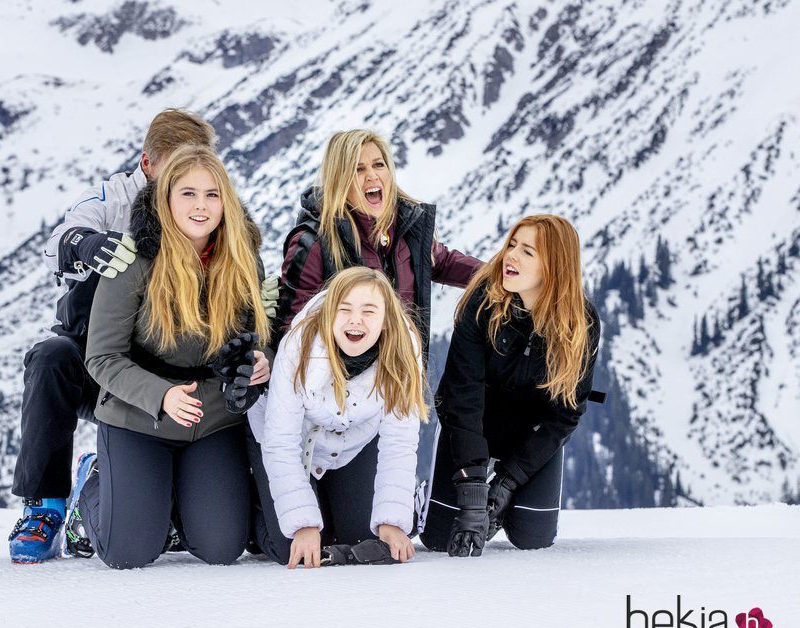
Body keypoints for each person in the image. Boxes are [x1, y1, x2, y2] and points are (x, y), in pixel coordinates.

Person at [8, 109, 217, 563]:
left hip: (166, 371)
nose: (189, 178)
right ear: (148, 164)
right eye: (176, 166)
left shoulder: (206, 208)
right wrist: (84, 244)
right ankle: (44, 506)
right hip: (98, 366)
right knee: (50, 358)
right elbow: (58, 240)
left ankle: (130, 487)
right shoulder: (114, 201)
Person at [66, 145, 271, 569]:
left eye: (212, 194)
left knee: (220, 548)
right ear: (166, 198)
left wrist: (261, 359)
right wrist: (162, 395)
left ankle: (171, 497)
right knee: (129, 552)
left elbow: (258, 333)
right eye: (188, 193)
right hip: (138, 417)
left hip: (213, 420)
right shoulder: (133, 259)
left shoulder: (243, 257)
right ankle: (94, 483)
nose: (201, 206)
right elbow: (102, 357)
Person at [420, 214, 601, 556]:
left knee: (533, 538)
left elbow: (564, 415)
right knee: (440, 537)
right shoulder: (483, 303)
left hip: (529, 435)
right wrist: (473, 490)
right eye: (512, 245)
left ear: (554, 266)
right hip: (473, 425)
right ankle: (435, 496)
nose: (510, 256)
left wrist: (506, 483)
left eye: (527, 252)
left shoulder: (582, 322)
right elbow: (461, 397)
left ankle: (503, 502)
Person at [248, 267, 428, 568]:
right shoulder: (300, 346)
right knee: (292, 546)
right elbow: (280, 442)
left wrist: (392, 521)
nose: (355, 320)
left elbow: (399, 442)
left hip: (348, 446)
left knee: (361, 538)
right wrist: (303, 525)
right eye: (344, 310)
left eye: (369, 311)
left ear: (386, 320)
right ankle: (254, 501)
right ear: (330, 313)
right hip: (287, 443)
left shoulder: (403, 353)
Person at [274, 129, 482, 352]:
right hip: (345, 382)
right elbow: (294, 330)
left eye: (379, 165)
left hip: (402, 375)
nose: (372, 175)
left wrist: (499, 275)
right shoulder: (314, 243)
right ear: (340, 180)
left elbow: (444, 262)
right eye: (358, 169)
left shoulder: (405, 227)